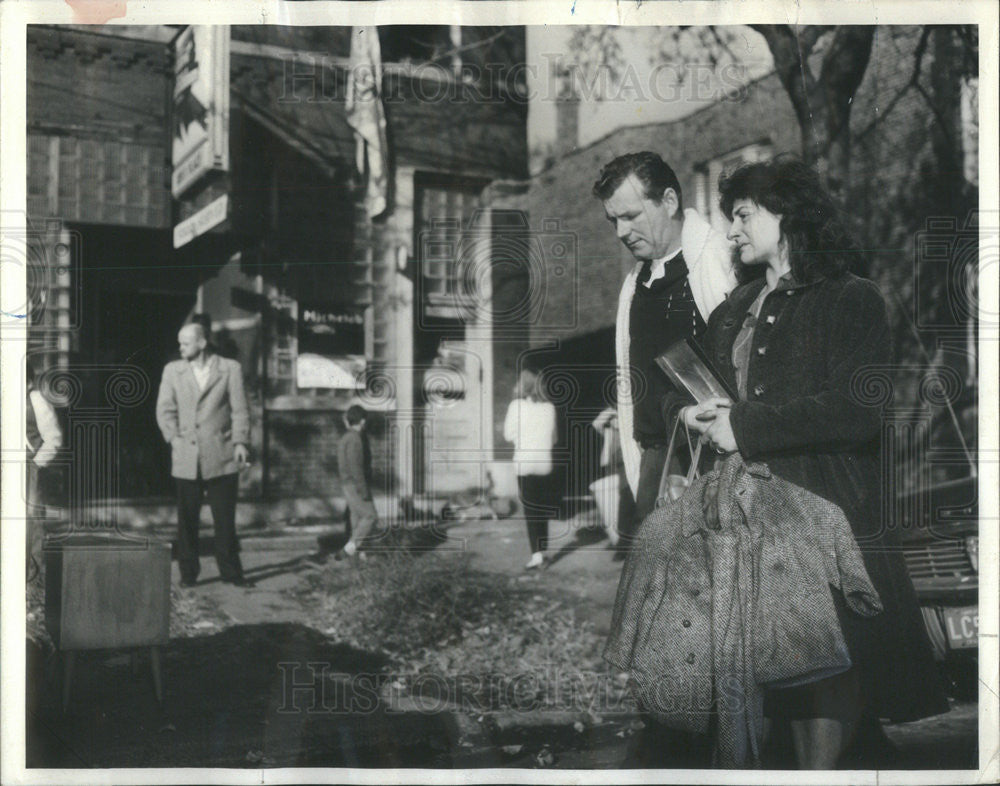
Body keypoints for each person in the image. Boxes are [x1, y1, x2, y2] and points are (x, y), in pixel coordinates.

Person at [678, 157, 948, 767]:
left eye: (743, 215)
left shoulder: (852, 299)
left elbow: (856, 410)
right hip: (744, 519)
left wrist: (743, 425)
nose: (733, 232)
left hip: (824, 514)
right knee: (767, 678)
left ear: (787, 213)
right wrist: (689, 410)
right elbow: (690, 381)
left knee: (822, 666)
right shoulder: (737, 305)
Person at [593, 152, 735, 552]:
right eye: (614, 220)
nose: (621, 231)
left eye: (632, 215)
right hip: (657, 465)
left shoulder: (718, 262)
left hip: (712, 462)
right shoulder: (634, 287)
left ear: (669, 201)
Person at [155, 322, 252, 588]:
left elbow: (240, 409)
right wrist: (173, 438)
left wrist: (241, 442)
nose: (180, 347)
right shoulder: (173, 371)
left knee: (225, 519)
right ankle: (188, 574)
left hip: (221, 453)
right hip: (186, 455)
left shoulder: (230, 369)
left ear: (201, 343)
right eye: (179, 342)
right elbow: (165, 409)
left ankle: (231, 573)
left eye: (185, 343)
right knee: (187, 521)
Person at [503, 369, 558, 570]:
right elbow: (554, 439)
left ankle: (536, 556)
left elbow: (508, 435)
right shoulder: (550, 408)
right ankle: (543, 551)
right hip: (544, 463)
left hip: (524, 463)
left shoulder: (516, 406)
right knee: (542, 508)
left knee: (530, 509)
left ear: (522, 386)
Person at [25, 362, 63, 582]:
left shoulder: (37, 401)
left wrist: (37, 464)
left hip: (30, 467)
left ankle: (34, 571)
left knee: (31, 518)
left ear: (29, 382)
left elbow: (53, 438)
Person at [336, 404, 378, 560]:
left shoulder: (346, 438)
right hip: (355, 484)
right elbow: (356, 467)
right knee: (370, 516)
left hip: (347, 484)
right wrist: (364, 489)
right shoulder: (355, 439)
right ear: (362, 421)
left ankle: (359, 556)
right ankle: (349, 549)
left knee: (357, 518)